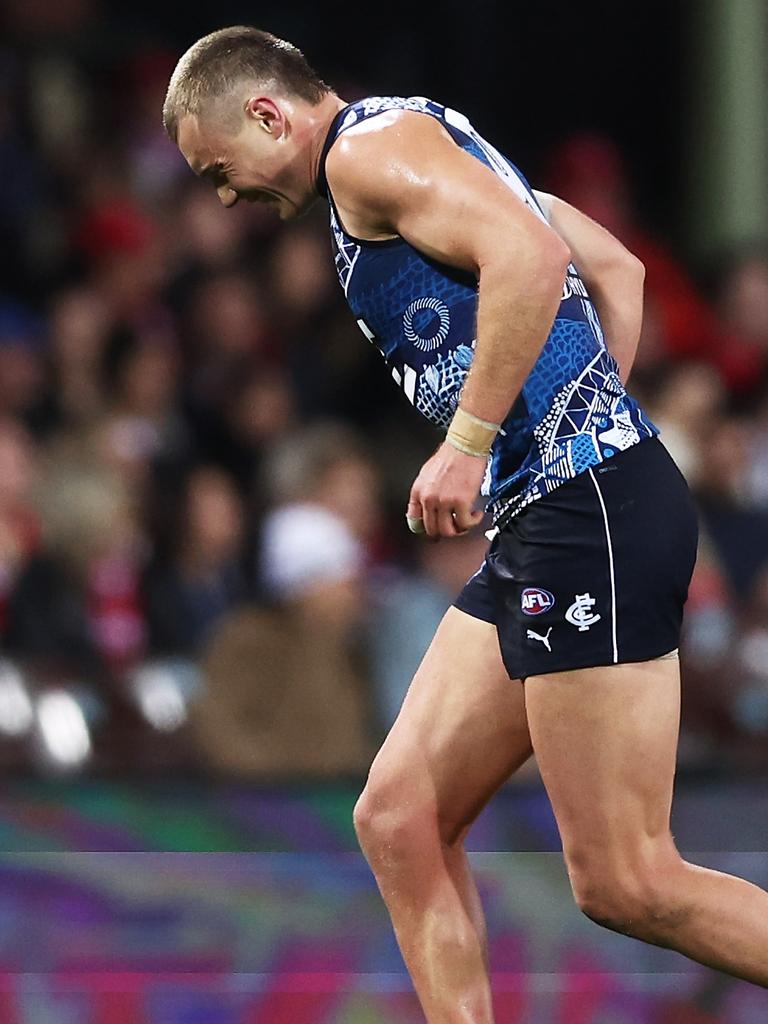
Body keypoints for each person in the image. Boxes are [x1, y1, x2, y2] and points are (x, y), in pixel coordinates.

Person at [162, 26, 768, 1022]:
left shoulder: (365, 153)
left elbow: (530, 256)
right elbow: (614, 267)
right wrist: (577, 425)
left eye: (219, 171)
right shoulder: (433, 141)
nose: (226, 198)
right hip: (568, 506)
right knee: (399, 818)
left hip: (588, 512)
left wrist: (481, 440)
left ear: (267, 115)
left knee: (628, 879)